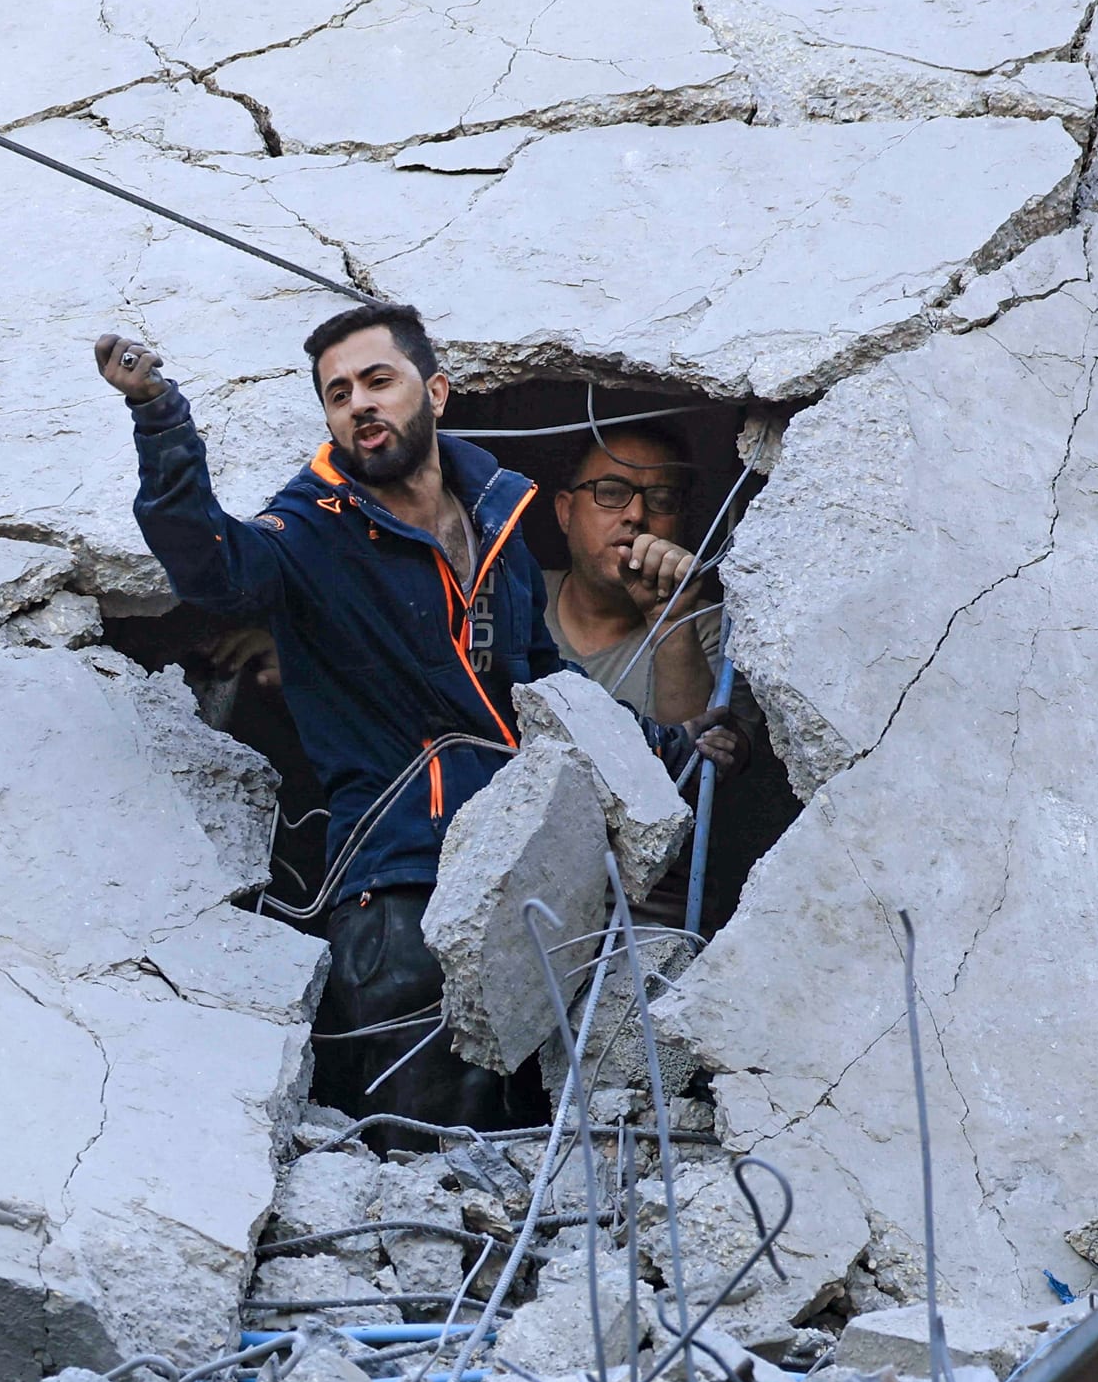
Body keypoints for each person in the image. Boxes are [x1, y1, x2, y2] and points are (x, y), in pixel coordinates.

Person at [94, 303, 743, 1133]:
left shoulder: (497, 522)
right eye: (337, 393)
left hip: (521, 888)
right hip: (399, 903)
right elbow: (204, 558)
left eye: (378, 380)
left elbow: (543, 689)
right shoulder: (307, 534)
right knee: (428, 1163)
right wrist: (160, 417)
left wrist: (668, 745)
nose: (359, 403)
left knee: (518, 1154)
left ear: (434, 392)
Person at [545, 422, 718, 727]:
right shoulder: (516, 596)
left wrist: (671, 621)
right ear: (566, 513)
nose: (636, 515)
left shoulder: (709, 628)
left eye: (661, 500)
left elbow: (698, 764)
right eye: (611, 492)